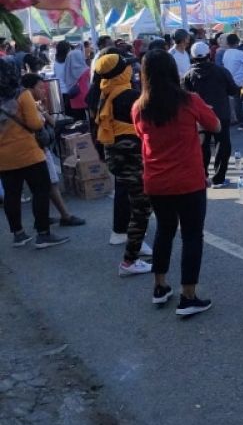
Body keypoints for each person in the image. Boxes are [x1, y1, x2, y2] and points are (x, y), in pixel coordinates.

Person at [133, 49, 220, 316]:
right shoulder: (189, 100)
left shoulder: (139, 107)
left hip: (156, 181)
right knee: (192, 235)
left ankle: (160, 286)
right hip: (188, 180)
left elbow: (141, 136)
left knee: (164, 230)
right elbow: (215, 125)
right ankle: (188, 296)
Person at [94, 53, 153, 277]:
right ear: (121, 73)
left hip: (115, 157)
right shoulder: (129, 96)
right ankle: (130, 260)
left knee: (135, 203)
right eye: (127, 67)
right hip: (131, 160)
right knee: (141, 207)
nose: (131, 69)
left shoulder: (106, 91)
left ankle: (135, 244)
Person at [0, 58, 69, 248]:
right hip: (28, 153)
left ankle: (18, 234)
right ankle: (43, 234)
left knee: (12, 195)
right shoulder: (22, 94)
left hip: (4, 158)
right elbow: (35, 123)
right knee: (41, 190)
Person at [19, 74, 85, 228]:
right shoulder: (30, 105)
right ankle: (65, 216)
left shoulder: (21, 103)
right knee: (51, 183)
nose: (43, 91)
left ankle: (43, 218)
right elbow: (48, 123)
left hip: (31, 150)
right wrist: (42, 111)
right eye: (40, 88)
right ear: (30, 89)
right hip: (39, 149)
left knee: (40, 186)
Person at [183, 41, 239, 188]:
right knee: (222, 144)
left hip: (199, 115)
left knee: (203, 145)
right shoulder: (221, 71)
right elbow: (233, 89)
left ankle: (203, 176)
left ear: (193, 57)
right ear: (209, 54)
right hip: (221, 113)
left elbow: (185, 95)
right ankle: (219, 178)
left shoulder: (188, 75)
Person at [54, 40, 90, 121]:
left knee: (70, 118)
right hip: (75, 93)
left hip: (61, 92)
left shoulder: (56, 63)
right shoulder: (72, 62)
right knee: (81, 118)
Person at [221, 33, 243, 130]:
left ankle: (238, 120)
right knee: (240, 102)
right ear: (237, 42)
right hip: (241, 81)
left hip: (230, 80)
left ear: (227, 43)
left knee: (236, 101)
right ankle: (242, 122)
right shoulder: (240, 53)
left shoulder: (226, 53)